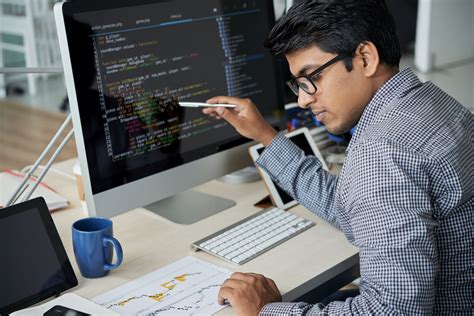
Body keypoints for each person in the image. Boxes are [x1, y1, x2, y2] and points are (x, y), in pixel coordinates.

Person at [203, 0, 473, 315]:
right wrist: (266, 136)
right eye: (298, 85)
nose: (303, 99)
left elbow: (392, 311)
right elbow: (354, 208)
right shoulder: (436, 106)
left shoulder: (382, 153)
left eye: (310, 78)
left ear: (365, 58)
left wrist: (265, 311)